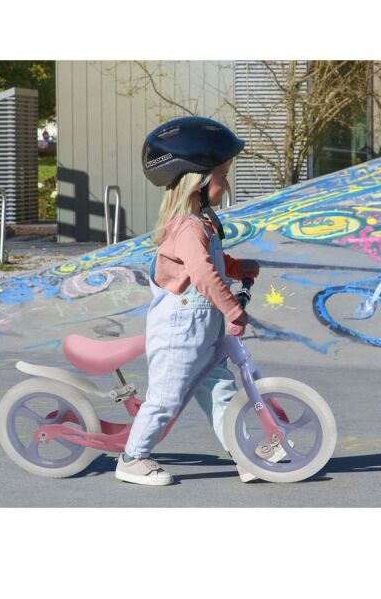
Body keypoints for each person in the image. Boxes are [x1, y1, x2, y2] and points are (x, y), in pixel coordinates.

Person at [116, 116, 265, 486]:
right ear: (198, 182)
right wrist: (233, 309)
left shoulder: (203, 224)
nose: (226, 185)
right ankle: (132, 459)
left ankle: (244, 454)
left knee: (221, 392)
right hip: (179, 332)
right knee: (166, 397)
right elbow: (200, 273)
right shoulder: (187, 227)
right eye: (222, 176)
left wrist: (236, 266)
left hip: (203, 330)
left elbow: (210, 262)